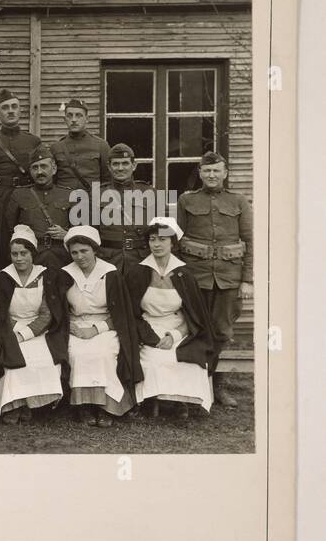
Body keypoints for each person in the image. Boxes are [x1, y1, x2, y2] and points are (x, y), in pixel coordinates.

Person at [175, 150, 253, 409]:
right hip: (196, 278)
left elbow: (250, 241)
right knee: (195, 330)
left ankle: (215, 384)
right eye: (206, 171)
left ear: (225, 173)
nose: (211, 175)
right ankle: (196, 385)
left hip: (229, 278)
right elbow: (177, 240)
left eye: (216, 170)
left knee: (222, 332)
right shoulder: (187, 201)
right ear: (200, 173)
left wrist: (247, 280)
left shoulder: (239, 201)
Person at [50, 225, 142, 427]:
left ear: (95, 250)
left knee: (103, 353)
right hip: (75, 326)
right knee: (77, 354)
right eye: (74, 252)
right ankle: (83, 406)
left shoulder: (110, 273)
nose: (79, 256)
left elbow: (120, 315)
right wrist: (71, 327)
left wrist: (95, 330)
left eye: (84, 251)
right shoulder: (65, 274)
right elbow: (59, 310)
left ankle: (106, 407)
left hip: (106, 326)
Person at [125, 217, 216, 419]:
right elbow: (132, 314)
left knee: (185, 358)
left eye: (162, 240)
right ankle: (150, 401)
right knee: (153, 358)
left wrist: (173, 335)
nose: (156, 244)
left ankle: (180, 401)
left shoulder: (184, 274)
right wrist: (151, 338)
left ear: (173, 243)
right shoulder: (138, 272)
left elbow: (194, 316)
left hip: (178, 327)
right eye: (152, 239)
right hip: (146, 328)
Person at [0, 225, 65, 424]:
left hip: (38, 329)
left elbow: (46, 313)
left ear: (33, 253)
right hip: (9, 328)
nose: (19, 258)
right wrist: (15, 332)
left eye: (23, 253)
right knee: (14, 360)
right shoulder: (4, 276)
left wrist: (25, 334)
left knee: (42, 358)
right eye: (14, 254)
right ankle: (15, 405)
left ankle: (31, 404)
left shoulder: (45, 275)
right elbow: (1, 312)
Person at [0, 88, 42, 222]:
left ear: (20, 110)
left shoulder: (33, 141)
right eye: (5, 107)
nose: (10, 111)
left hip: (27, 200)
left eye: (14, 106)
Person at [4, 144, 75, 270]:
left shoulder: (69, 195)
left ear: (54, 169)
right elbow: (9, 229)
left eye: (44, 166)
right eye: (35, 168)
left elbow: (81, 231)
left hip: (62, 257)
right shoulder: (19, 194)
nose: (39, 172)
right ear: (30, 171)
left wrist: (67, 234)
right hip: (31, 257)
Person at [97, 143, 155, 269]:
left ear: (133, 166)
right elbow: (91, 232)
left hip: (141, 259)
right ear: (109, 167)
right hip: (108, 261)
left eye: (125, 163)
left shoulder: (149, 192)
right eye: (116, 164)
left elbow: (161, 231)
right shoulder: (97, 194)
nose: (120, 168)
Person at [50, 98, 112, 196]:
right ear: (65, 119)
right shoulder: (56, 148)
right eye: (69, 116)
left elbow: (108, 180)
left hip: (91, 202)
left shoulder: (101, 146)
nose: (74, 120)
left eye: (79, 115)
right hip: (64, 204)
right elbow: (52, 181)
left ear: (87, 119)